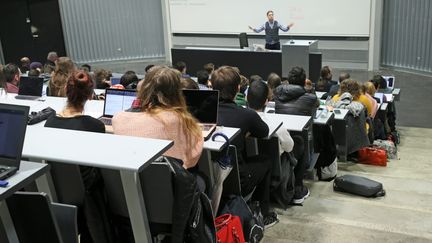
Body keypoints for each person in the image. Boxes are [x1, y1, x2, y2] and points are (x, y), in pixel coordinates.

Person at [44, 71, 113, 243]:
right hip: (88, 195)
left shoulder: (49, 122)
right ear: (91, 95)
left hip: (60, 191)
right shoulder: (94, 125)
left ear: (66, 89)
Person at [210, 66, 278, 227]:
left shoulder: (200, 114)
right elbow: (264, 132)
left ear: (212, 87)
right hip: (236, 182)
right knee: (266, 160)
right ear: (238, 89)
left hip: (208, 180)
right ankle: (264, 212)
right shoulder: (247, 115)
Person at [113, 66, 203, 169]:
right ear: (177, 92)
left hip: (131, 180)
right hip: (173, 181)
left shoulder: (118, 118)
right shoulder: (179, 118)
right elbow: (192, 158)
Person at [247, 80, 294, 155]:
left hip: (246, 164)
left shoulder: (240, 123)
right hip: (275, 164)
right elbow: (289, 148)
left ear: (246, 98)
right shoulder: (276, 126)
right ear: (266, 101)